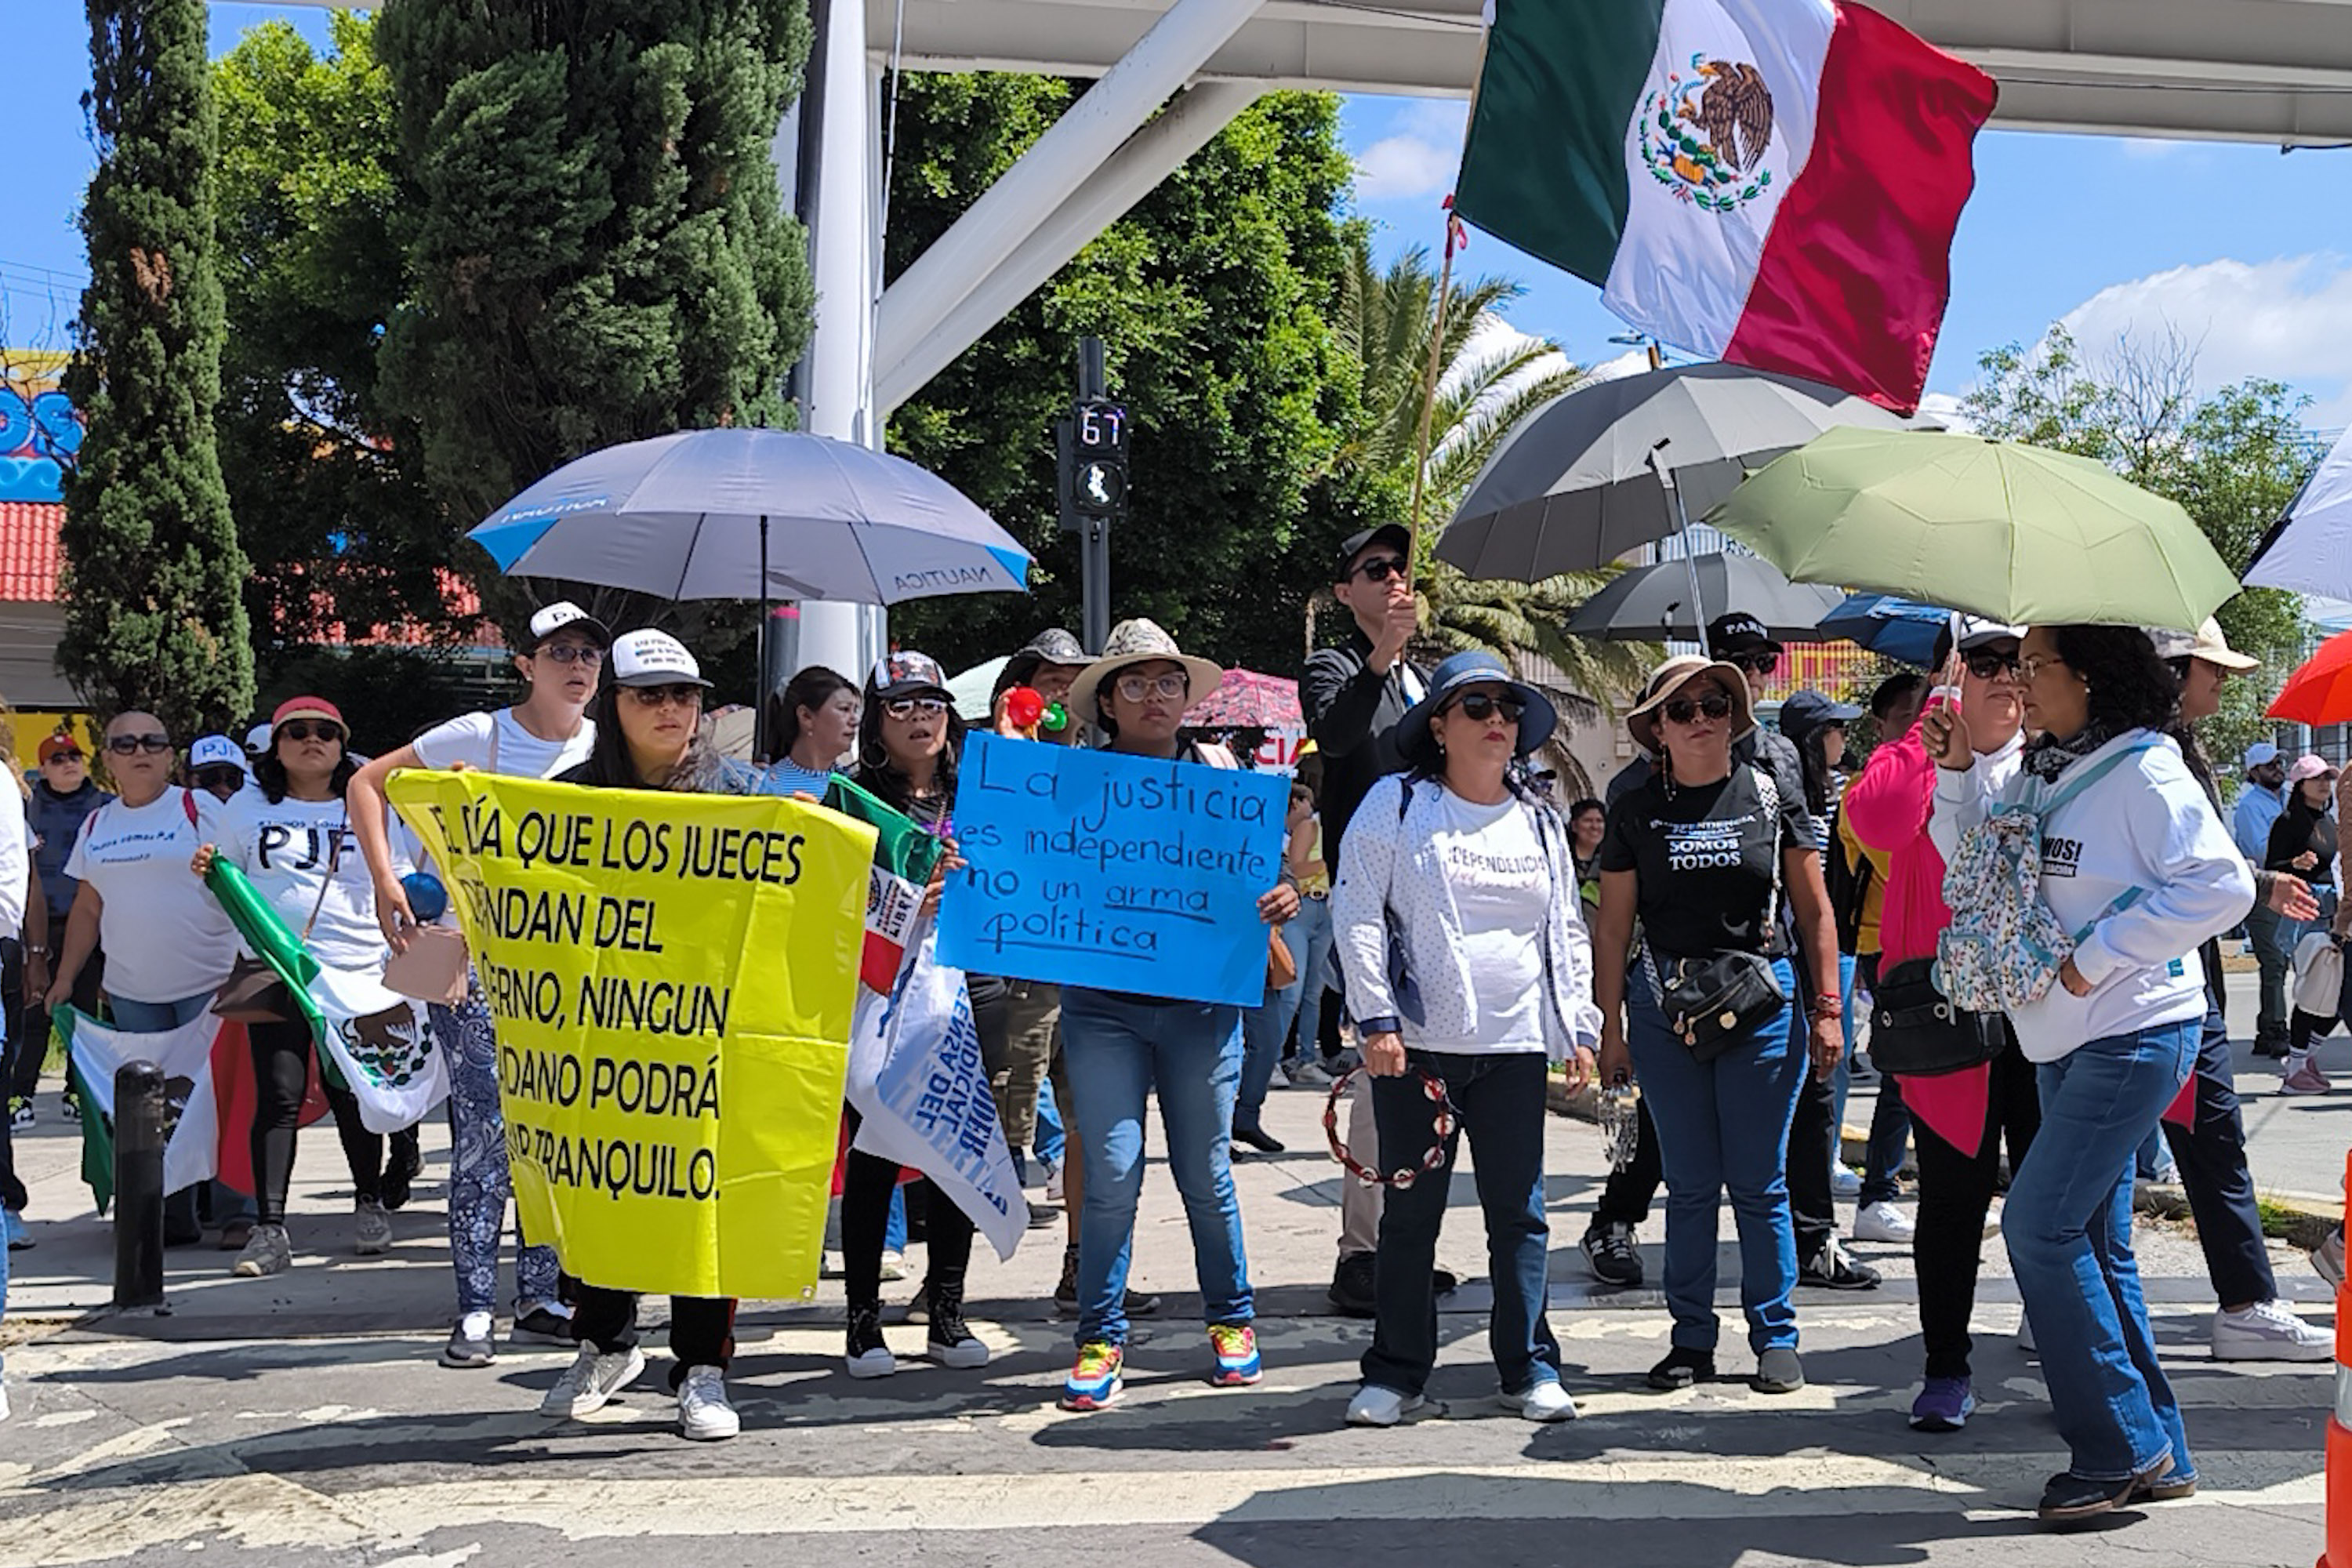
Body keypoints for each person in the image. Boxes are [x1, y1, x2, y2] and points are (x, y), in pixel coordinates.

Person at [1928, 624, 2252, 1525]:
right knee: (2095, 1245)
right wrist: (1959, 771)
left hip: (2132, 1030)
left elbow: (2221, 885)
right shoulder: (2046, 768)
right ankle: (2160, 1447)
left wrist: (2098, 955)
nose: (2022, 684)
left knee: (2038, 1226)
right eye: (2017, 668)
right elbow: (1976, 874)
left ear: (2091, 674)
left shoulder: (2144, 767)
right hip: (2062, 1039)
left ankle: (2116, 1446)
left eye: (2036, 667)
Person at [1333, 651, 1601, 1426]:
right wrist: (1377, 1016)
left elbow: (1564, 933)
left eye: (1508, 709)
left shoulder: (1542, 822)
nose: (1497, 720)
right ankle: (1396, 1371)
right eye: (1477, 706)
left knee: (1519, 1211)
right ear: (1440, 725)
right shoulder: (1398, 803)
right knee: (1412, 1215)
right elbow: (1355, 910)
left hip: (1516, 1047)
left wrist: (1576, 1025)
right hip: (1417, 1047)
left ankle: (1529, 1366)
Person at [528, 630, 775, 1441]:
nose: (671, 709)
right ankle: (603, 1343)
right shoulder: (572, 794)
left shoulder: (744, 793)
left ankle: (702, 1367)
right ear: (614, 705)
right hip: (605, 1037)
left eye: (685, 694)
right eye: (650, 694)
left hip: (709, 1035)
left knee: (705, 1196)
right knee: (602, 1188)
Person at [347, 601, 607, 1367]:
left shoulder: (606, 744)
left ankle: (540, 1293)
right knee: (486, 1131)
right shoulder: (481, 735)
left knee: (557, 1132)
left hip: (569, 971)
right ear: (526, 663)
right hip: (470, 959)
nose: (579, 664)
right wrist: (386, 875)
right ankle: (472, 1308)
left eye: (591, 651)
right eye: (560, 650)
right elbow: (368, 781)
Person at [1054, 619, 1298, 1411]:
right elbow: (1017, 867)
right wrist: (974, 863)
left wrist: (1282, 894)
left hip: (1200, 1006)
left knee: (1204, 1171)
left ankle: (1232, 1319)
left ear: (1187, 696)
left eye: (1167, 681)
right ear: (1109, 702)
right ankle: (1099, 1333)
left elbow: (1268, 882)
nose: (1154, 695)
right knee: (1112, 1174)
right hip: (1103, 1009)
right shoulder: (1066, 785)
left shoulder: (1225, 781)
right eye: (1135, 682)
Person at [1593, 654, 1843, 1394]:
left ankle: (1776, 1335)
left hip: (1763, 1008)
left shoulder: (1770, 793)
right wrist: (1611, 1030)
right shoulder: (1633, 803)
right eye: (1683, 708)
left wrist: (1828, 1009)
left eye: (1715, 704)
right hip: (1666, 1009)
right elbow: (1613, 928)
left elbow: (1815, 909)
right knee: (1692, 1183)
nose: (1701, 717)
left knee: (1761, 1182)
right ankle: (1691, 1340)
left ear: (1735, 717)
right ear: (1657, 729)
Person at [1846, 617, 2042, 1432]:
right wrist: (1932, 732)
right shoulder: (1910, 759)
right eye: (1982, 661)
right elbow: (1880, 823)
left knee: (2051, 1194)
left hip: (2043, 1015)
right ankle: (1945, 1365)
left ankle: (2060, 1331)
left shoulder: (2055, 763)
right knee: (1954, 1200)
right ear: (1953, 676)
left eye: (2016, 661)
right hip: (1946, 1015)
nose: (2002, 675)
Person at [2136, 620, 2329, 1361]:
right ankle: (2246, 1302)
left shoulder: (2162, 751)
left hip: (2165, 984)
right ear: (2173, 672)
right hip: (2170, 987)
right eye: (2210, 668)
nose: (2222, 681)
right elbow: (2178, 871)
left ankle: (2066, 1296)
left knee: (2122, 1152)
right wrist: (2258, 883)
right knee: (2212, 1147)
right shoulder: (2154, 760)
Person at [193, 697, 421, 1279]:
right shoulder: (244, 805)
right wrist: (207, 873)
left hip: (356, 968)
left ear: (344, 744)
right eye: (296, 732)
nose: (311, 741)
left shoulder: (366, 802)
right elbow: (222, 890)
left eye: (326, 732)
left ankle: (368, 1202)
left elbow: (393, 875)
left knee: (354, 1091)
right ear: (275, 745)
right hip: (275, 967)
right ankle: (270, 1229)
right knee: (279, 1095)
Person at [838, 649, 996, 1381]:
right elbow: (830, 901)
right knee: (874, 1157)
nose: (920, 718)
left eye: (931, 703)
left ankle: (948, 1311)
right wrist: (908, 903)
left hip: (972, 990)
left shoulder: (989, 793)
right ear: (876, 720)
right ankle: (863, 1322)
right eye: (901, 705)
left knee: (953, 1150)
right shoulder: (849, 800)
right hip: (877, 997)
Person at [1711, 618, 1878, 1293]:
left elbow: (1808, 867)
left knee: (1811, 1094)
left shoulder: (1778, 753)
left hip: (1778, 943)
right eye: (1740, 662)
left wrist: (1827, 991)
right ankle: (1619, 1212)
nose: (1754, 674)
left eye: (1763, 661)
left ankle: (1815, 1238)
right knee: (1686, 1111)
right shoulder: (1676, 733)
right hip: (1699, 954)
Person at [46, 712, 250, 1248]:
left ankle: (237, 1213)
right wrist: (65, 978)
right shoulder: (97, 824)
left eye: (155, 741)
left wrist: (246, 966)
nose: (141, 750)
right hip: (134, 992)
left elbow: (239, 882)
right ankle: (172, 1214)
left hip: (209, 986)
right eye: (127, 743)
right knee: (155, 1113)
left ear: (169, 755)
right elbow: (88, 909)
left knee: (218, 1100)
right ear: (107, 759)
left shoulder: (199, 808)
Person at [1303, 522, 1433, 1317]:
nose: (1392, 579)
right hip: (1368, 901)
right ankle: (1362, 1250)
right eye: (1373, 569)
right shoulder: (1337, 664)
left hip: (1426, 899)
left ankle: (1406, 1244)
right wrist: (1381, 652)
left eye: (1400, 568)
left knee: (1427, 1080)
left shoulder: (1420, 683)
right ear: (1345, 591)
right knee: (1381, 1076)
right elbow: (1341, 734)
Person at [1786, 688, 1915, 1248]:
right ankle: (1867, 1188)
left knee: (1883, 1072)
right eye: (1909, 717)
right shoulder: (1867, 789)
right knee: (1883, 1069)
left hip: (1853, 942)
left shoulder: (1843, 787)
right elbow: (1892, 860)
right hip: (1868, 943)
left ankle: (1855, 1179)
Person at [16, 732, 107, 1131]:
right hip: (42, 925)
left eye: (74, 755)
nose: (68, 763)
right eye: (57, 758)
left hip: (93, 924)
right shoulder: (27, 808)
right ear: (44, 768)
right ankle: (20, 1094)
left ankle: (78, 1090)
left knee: (87, 1012)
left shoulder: (106, 807)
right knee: (35, 1012)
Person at [1235, 780, 1329, 1152]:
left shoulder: (1263, 838)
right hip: (1215, 956)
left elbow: (1288, 872)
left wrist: (1287, 890)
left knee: (1270, 1037)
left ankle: (1246, 1118)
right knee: (1220, 1050)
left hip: (1259, 949)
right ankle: (1217, 1130)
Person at [2270, 754, 2339, 1094]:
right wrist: (2293, 863)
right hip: (2302, 908)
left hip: (2332, 909)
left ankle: (2303, 1057)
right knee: (2314, 985)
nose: (2325, 784)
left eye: (2328, 777)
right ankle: (2297, 1066)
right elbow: (2271, 868)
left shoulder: (2330, 821)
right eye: (2317, 778)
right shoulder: (2287, 822)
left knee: (2338, 988)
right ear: (2300, 785)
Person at [2235, 742, 2292, 1058]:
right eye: (2270, 765)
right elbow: (2261, 851)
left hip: (2290, 887)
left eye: (2279, 763)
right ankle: (2274, 1028)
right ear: (2254, 772)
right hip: (2263, 889)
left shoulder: (2287, 799)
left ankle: (2270, 1023)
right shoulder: (2249, 807)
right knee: (2273, 961)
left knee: (2283, 961)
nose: (2277, 770)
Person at [764, 665, 862, 799]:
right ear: (806, 716)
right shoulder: (764, 786)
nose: (855, 720)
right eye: (844, 709)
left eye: (855, 710)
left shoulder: (856, 787)